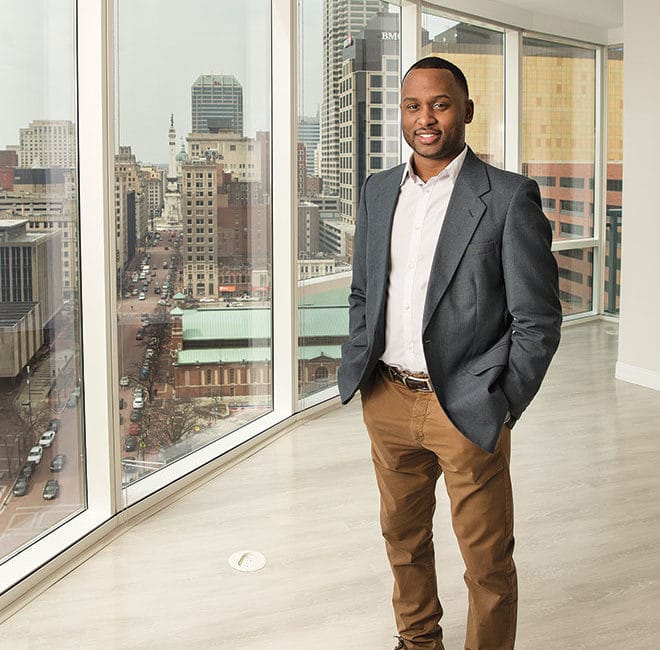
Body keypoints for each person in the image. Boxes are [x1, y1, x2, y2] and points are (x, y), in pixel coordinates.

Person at [338, 56, 562, 650]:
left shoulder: (509, 197)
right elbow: (364, 289)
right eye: (413, 106)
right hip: (387, 397)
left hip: (466, 404)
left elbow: (537, 319)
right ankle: (418, 642)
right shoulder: (378, 189)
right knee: (403, 541)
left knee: (487, 562)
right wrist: (360, 365)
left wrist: (502, 401)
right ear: (402, 115)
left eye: (439, 104)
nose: (426, 117)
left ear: (465, 111)